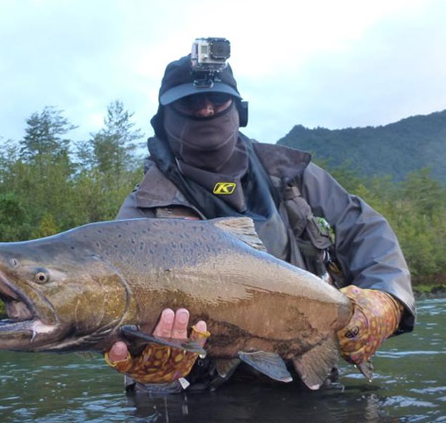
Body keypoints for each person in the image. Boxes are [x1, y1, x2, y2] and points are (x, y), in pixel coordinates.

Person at [104, 51, 416, 393]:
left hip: (307, 378)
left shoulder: (292, 175)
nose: (206, 110)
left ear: (240, 111)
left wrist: (387, 296)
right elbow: (114, 321)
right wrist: (142, 358)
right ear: (164, 119)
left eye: (217, 100)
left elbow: (365, 228)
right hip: (195, 395)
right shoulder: (142, 210)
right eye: (190, 103)